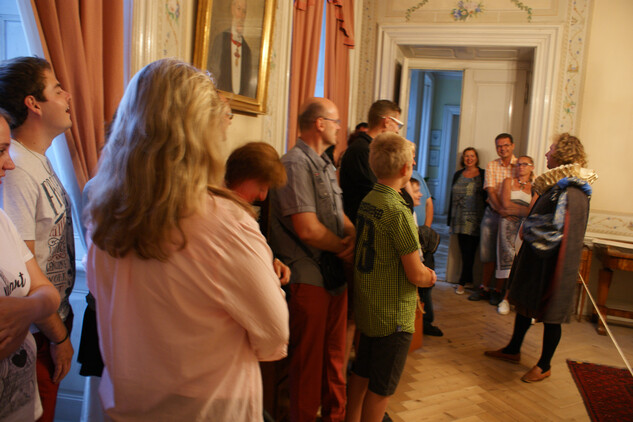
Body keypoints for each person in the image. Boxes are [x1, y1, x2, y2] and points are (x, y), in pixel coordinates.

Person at [84, 58, 289, 420]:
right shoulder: (226, 222)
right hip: (207, 406)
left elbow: (108, 301)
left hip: (129, 400)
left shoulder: (105, 214)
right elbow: (274, 336)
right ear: (201, 137)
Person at [269, 97, 355, 422]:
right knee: (307, 364)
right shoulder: (294, 164)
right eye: (336, 121)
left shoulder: (326, 164)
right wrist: (344, 247)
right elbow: (307, 229)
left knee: (335, 356)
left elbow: (337, 214)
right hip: (307, 276)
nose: (339, 128)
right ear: (320, 124)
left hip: (332, 274)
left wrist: (354, 236)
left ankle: (335, 416)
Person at [484, 133, 596, 383]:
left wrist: (530, 227)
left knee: (551, 314)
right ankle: (513, 349)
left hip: (554, 263)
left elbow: (563, 232)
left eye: (551, 149)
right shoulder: (557, 185)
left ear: (562, 154)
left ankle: (544, 365)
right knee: (525, 304)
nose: (547, 153)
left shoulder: (574, 189)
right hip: (538, 258)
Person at [0, 56, 75, 422]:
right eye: (57, 89)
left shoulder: (37, 161)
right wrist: (58, 336)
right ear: (33, 103)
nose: (68, 96)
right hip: (37, 332)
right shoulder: (16, 172)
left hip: (47, 322)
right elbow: (28, 275)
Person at [346, 133, 436, 422]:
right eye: (412, 161)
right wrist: (430, 277)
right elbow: (415, 272)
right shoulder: (398, 211)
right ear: (406, 169)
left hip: (369, 306)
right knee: (381, 389)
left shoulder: (369, 200)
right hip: (393, 315)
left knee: (362, 372)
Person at [0, 109, 61, 422]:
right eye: (1, 151)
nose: (9, 164)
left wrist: (25, 309)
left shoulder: (2, 221)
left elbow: (48, 293)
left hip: (22, 407)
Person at [225, 141, 291, 285]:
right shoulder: (227, 216)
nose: (262, 197)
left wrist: (269, 262)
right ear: (244, 176)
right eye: (261, 187)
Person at [469, 133, 517, 306]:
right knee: (487, 253)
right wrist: (501, 210)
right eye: (499, 146)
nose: (502, 149)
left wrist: (508, 212)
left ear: (512, 146)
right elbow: (490, 191)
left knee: (504, 255)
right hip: (492, 213)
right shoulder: (492, 165)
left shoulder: (519, 165)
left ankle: (498, 290)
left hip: (512, 217)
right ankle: (485, 288)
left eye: (506, 145)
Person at [340, 100, 403, 223]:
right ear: (386, 121)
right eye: (397, 124)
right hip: (362, 224)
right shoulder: (362, 150)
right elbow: (377, 192)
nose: (397, 130)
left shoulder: (372, 149)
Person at [495, 155, 536, 315]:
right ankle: (504, 298)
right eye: (518, 164)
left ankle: (512, 298)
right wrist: (521, 210)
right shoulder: (508, 182)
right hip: (506, 227)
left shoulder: (535, 186)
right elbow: (505, 205)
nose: (521, 167)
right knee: (508, 259)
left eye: (525, 164)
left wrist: (514, 210)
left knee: (519, 262)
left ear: (532, 167)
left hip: (524, 228)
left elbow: (531, 211)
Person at [448, 147, 486, 295]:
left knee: (470, 252)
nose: (469, 159)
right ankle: (468, 281)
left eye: (472, 156)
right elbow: (452, 197)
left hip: (475, 219)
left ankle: (462, 283)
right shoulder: (458, 174)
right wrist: (450, 219)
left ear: (476, 158)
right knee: (464, 251)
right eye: (466, 156)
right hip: (459, 218)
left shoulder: (482, 174)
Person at [409, 177, 443, 337]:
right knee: (423, 287)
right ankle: (423, 322)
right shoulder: (407, 213)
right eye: (416, 191)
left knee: (426, 288)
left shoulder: (412, 211)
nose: (420, 194)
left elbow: (428, 204)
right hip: (417, 256)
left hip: (421, 249)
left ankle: (425, 321)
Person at [208, 0, 255, 97]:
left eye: (244, 11)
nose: (241, 15)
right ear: (232, 9)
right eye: (239, 9)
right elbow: (213, 74)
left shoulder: (247, 50)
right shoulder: (221, 39)